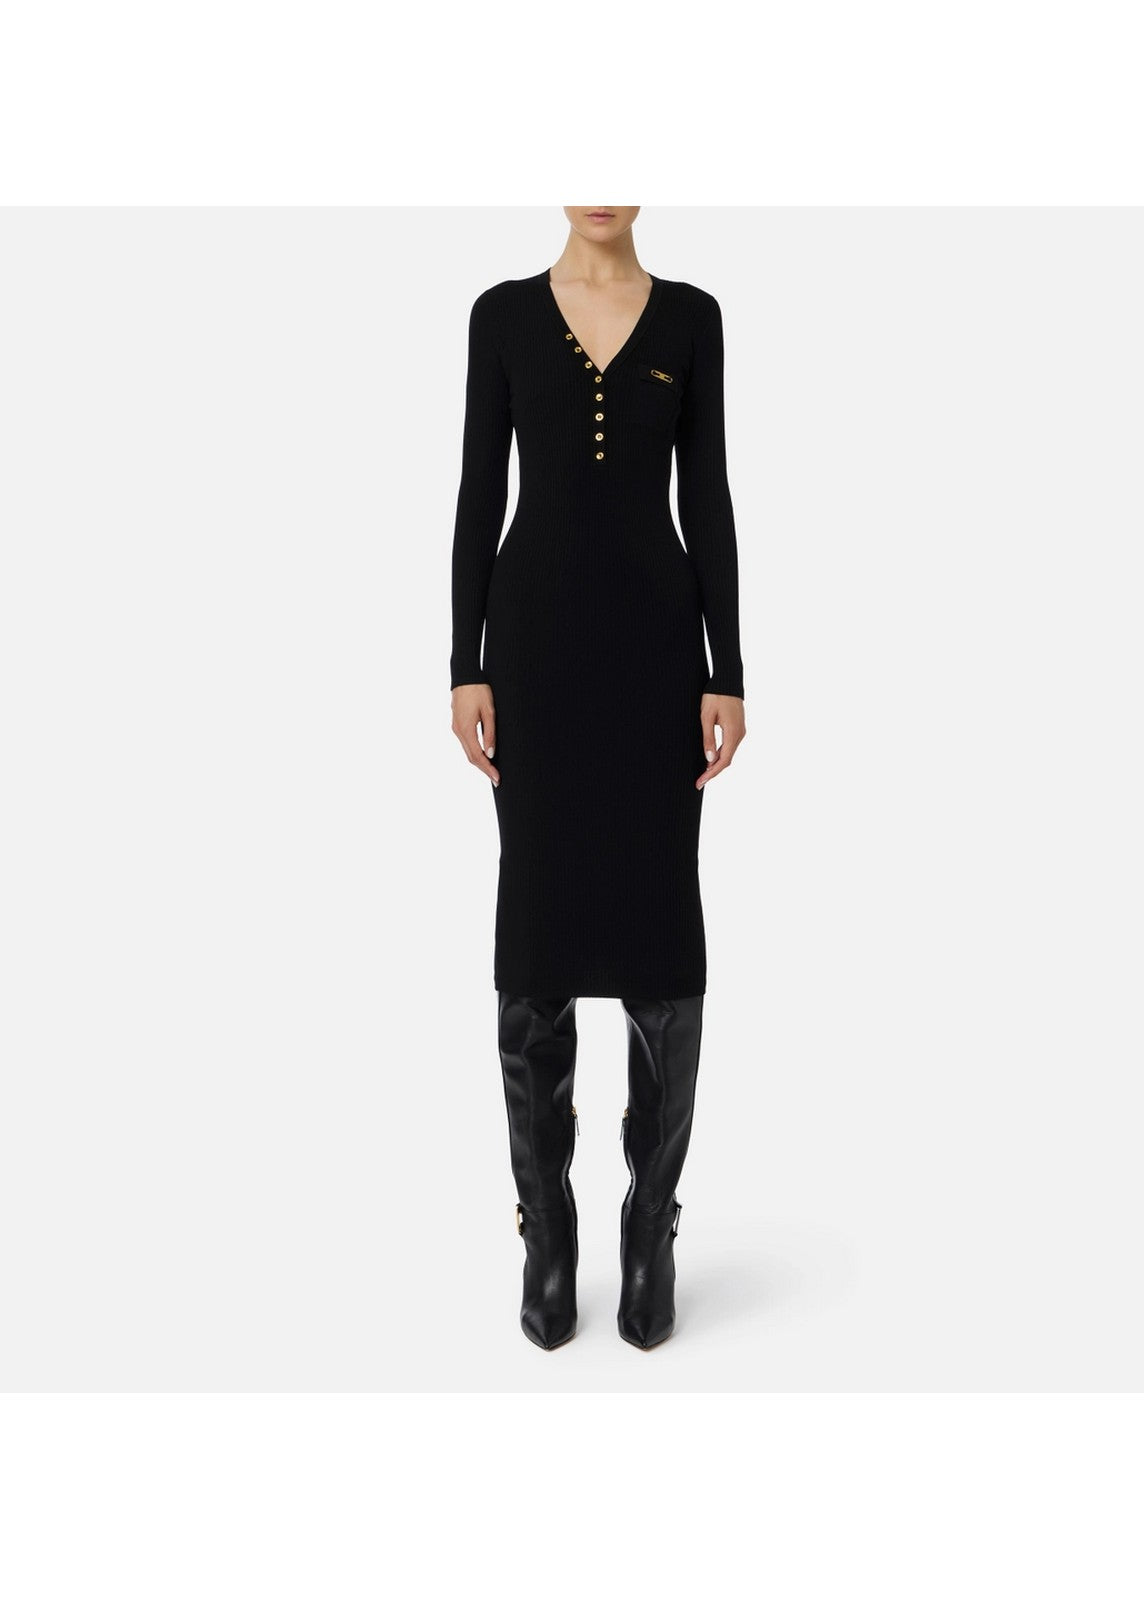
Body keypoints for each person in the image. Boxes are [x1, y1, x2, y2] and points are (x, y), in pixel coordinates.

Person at [449, 206, 747, 1350]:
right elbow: (480, 492)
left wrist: (728, 669)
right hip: (534, 656)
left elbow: (706, 493)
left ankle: (650, 1221)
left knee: (662, 934)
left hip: (657, 659)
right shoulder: (501, 317)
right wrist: (465, 663)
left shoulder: (693, 320)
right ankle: (548, 1229)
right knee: (538, 934)